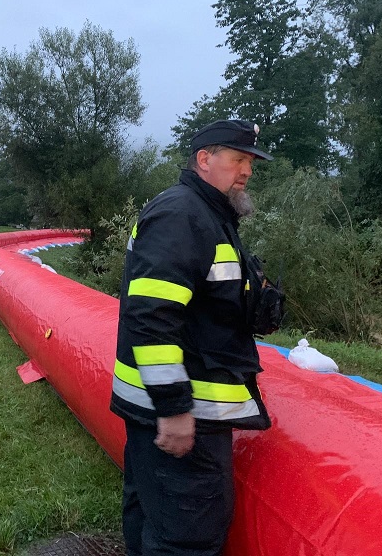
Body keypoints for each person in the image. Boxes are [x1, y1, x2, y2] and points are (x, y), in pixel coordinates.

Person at [110, 119, 273, 556]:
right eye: (238, 159)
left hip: (167, 405)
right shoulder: (184, 216)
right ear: (204, 160)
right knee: (188, 537)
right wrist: (175, 409)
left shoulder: (204, 214)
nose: (247, 171)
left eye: (251, 162)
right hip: (185, 413)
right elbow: (151, 316)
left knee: (153, 515)